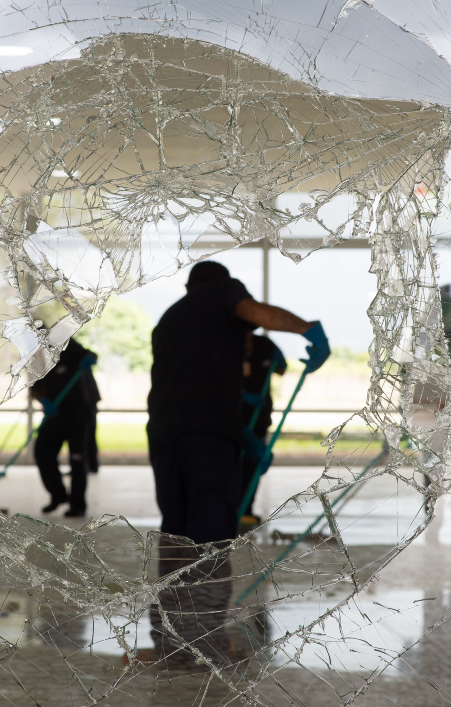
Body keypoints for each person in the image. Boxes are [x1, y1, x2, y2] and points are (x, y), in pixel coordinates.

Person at [147, 260, 329, 668]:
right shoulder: (222, 294)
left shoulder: (168, 320)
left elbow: (189, 384)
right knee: (211, 540)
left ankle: (170, 640)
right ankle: (207, 645)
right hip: (207, 441)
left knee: (176, 539)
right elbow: (256, 313)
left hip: (165, 438)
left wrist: (242, 435)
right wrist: (307, 329)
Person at [31, 339, 98, 518]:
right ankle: (58, 494)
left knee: (77, 461)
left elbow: (91, 355)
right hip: (54, 415)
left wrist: (89, 360)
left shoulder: (65, 343)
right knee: (42, 453)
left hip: (77, 415)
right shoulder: (32, 355)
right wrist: (42, 400)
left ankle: (78, 504)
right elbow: (34, 385)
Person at [237, 330, 286, 528]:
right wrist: (240, 395)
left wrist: (280, 362)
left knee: (252, 464)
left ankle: (246, 509)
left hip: (259, 416)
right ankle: (229, 507)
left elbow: (281, 370)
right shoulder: (227, 341)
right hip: (232, 417)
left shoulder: (265, 345)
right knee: (231, 464)